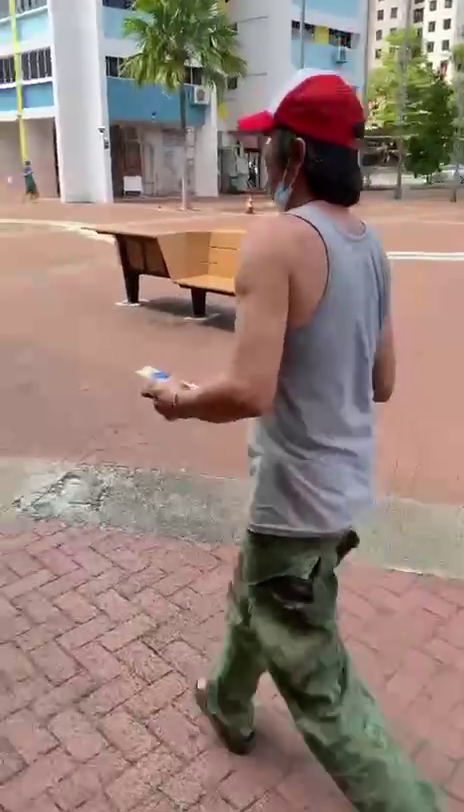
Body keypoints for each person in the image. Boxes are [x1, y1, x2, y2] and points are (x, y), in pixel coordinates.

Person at [142, 70, 441, 812]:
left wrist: (181, 401)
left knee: (321, 686)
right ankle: (228, 701)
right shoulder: (370, 248)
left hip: (295, 501)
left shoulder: (276, 243)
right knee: (257, 591)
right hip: (341, 493)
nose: (262, 159)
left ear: (295, 155)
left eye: (269, 145)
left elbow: (250, 391)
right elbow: (383, 382)